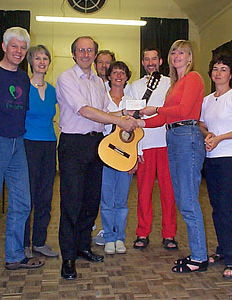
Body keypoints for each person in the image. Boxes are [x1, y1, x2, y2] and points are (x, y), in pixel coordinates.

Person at [56, 36, 138, 280]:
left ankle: (83, 247)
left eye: (90, 50)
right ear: (73, 54)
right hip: (73, 144)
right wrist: (118, 120)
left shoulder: (97, 83)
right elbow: (85, 111)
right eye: (81, 50)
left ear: (95, 54)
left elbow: (106, 112)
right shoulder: (66, 78)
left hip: (96, 145)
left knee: (90, 202)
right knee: (71, 203)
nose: (85, 53)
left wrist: (127, 113)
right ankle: (68, 258)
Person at [0, 27, 44, 279]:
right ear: (4, 47)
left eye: (23, 47)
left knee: (22, 202)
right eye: (14, 46)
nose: (18, 51)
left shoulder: (24, 78)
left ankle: (15, 255)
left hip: (18, 145)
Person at [138, 40, 208, 273]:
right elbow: (165, 118)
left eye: (182, 53)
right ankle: (197, 253)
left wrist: (156, 109)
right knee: (182, 198)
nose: (177, 56)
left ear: (190, 58)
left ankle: (199, 257)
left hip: (187, 136)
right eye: (173, 52)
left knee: (188, 200)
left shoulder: (194, 78)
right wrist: (139, 122)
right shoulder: (175, 84)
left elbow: (184, 111)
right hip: (174, 136)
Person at [199, 53, 232, 279]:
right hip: (212, 160)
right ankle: (223, 249)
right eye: (215, 68)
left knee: (229, 209)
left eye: (223, 69)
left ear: (231, 74)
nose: (218, 72)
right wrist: (208, 133)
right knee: (217, 208)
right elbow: (201, 123)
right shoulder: (208, 99)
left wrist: (220, 138)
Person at [131, 48, 177, 250]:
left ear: (160, 61)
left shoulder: (170, 83)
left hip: (167, 144)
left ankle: (169, 235)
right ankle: (142, 232)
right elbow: (132, 118)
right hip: (145, 145)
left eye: (154, 59)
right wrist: (137, 149)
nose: (150, 63)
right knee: (144, 193)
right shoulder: (135, 86)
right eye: (146, 59)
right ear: (142, 62)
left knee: (169, 193)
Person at [23, 45, 58, 259]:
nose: (42, 62)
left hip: (48, 144)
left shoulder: (53, 90)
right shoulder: (22, 87)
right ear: (31, 61)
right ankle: (23, 243)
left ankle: (39, 242)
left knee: (45, 196)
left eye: (45, 58)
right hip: (28, 144)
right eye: (38, 58)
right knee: (27, 196)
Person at [101, 61, 135, 255]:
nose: (119, 76)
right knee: (107, 199)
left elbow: (137, 130)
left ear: (126, 76)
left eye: (122, 72)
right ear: (109, 76)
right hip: (106, 153)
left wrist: (136, 156)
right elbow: (101, 117)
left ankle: (119, 237)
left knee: (121, 200)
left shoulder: (132, 101)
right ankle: (108, 237)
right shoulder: (101, 98)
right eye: (115, 72)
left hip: (126, 155)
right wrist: (121, 114)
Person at [92, 49, 116, 247]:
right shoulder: (90, 84)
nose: (104, 66)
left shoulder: (119, 86)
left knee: (109, 191)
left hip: (114, 144)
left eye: (107, 63)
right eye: (100, 62)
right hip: (94, 140)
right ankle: (90, 223)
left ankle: (106, 229)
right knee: (93, 186)